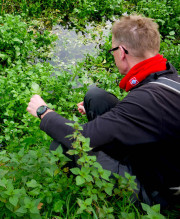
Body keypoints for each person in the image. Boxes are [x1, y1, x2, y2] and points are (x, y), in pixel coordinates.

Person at [27, 15, 180, 209]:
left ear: (122, 52)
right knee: (96, 97)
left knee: (62, 145)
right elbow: (144, 115)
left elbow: (81, 137)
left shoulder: (146, 101)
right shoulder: (168, 77)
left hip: (159, 191)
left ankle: (87, 198)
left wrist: (44, 112)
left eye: (113, 50)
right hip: (160, 159)